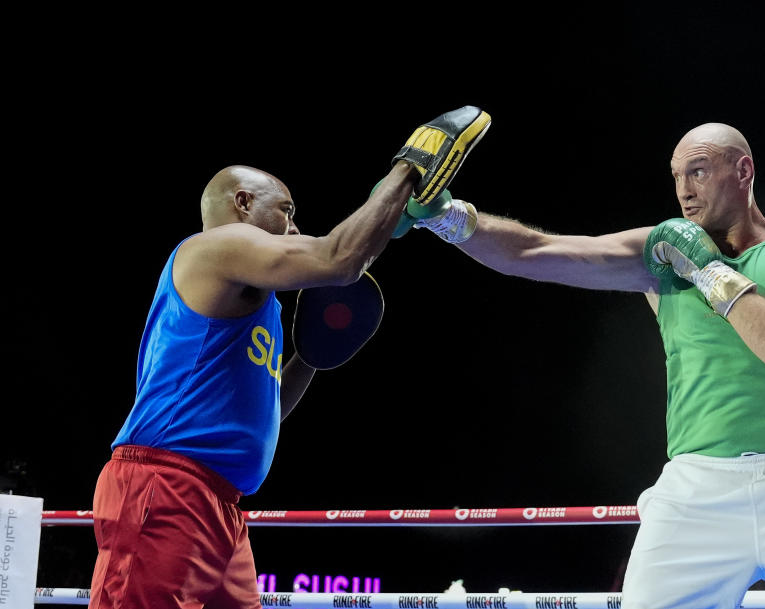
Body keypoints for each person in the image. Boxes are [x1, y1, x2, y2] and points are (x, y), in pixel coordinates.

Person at [404, 123, 765, 609]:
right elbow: (536, 251)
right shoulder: (661, 256)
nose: (684, 191)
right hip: (697, 489)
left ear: (743, 170)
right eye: (676, 176)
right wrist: (449, 217)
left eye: (700, 171)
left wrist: (710, 274)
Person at [88, 105, 492, 609]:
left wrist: (311, 356)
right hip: (165, 487)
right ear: (242, 202)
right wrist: (408, 169)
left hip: (219, 505)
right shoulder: (218, 246)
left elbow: (266, 411)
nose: (297, 228)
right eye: (287, 210)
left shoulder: (259, 304)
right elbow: (337, 259)